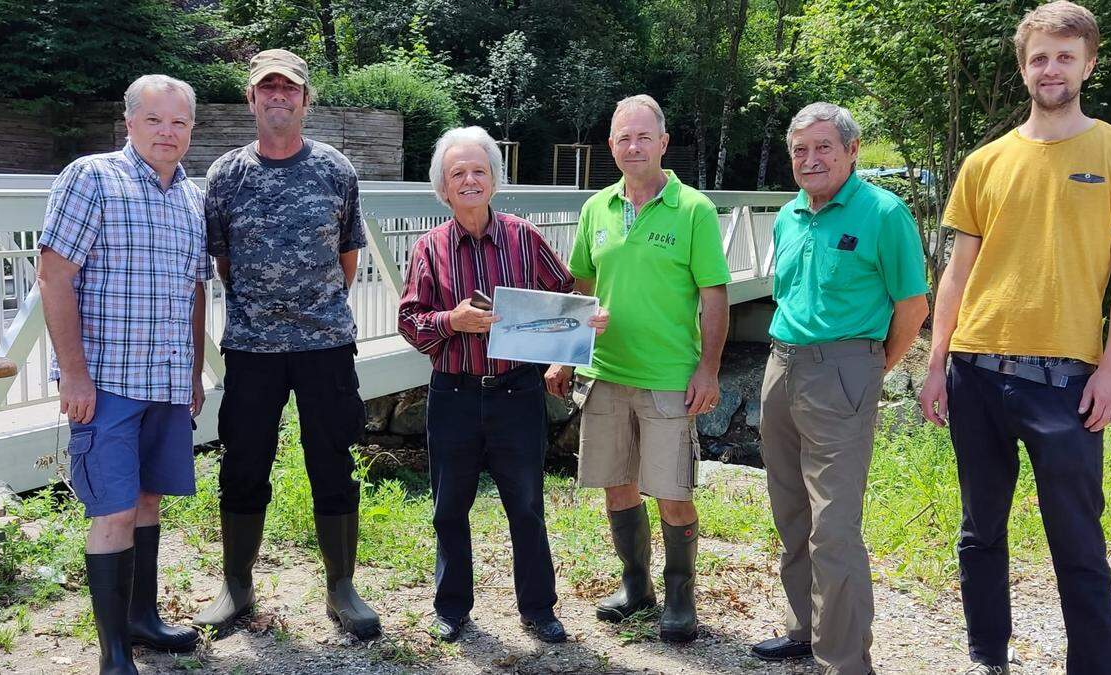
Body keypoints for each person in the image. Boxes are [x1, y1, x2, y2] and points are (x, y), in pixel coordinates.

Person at [918, 3, 1111, 673]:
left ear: (1089, 63)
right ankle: (988, 654)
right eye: (1039, 57)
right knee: (980, 530)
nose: (1051, 68)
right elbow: (958, 272)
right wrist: (936, 364)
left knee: (1078, 540)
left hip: (1068, 381)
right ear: (1024, 68)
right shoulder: (985, 162)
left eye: (1064, 56)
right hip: (976, 372)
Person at [193, 49, 379, 640]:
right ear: (251, 99)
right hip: (251, 347)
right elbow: (221, 262)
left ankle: (340, 587)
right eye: (265, 87)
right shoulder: (225, 174)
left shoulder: (335, 169)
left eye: (288, 88)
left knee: (334, 461)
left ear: (305, 99)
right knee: (243, 462)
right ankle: (237, 586)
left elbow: (347, 257)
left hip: (325, 346)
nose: (278, 96)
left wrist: (311, 310)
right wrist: (267, 309)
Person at [397, 126, 607, 644]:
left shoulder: (522, 235)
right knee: (449, 506)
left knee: (526, 504)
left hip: (517, 392)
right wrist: (452, 321)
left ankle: (538, 608)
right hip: (454, 393)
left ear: (494, 178)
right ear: (443, 189)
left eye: (478, 171)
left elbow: (564, 296)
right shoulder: (430, 247)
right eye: (457, 173)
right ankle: (451, 607)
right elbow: (409, 320)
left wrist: (584, 324)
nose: (469, 181)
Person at [749, 102, 928, 674]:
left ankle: (845, 660)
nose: (811, 159)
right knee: (790, 508)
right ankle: (805, 628)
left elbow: (912, 306)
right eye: (800, 150)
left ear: (852, 151)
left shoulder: (883, 212)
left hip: (845, 369)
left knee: (834, 525)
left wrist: (871, 366)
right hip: (782, 366)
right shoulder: (790, 215)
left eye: (824, 147)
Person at [38, 74, 208, 674]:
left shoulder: (193, 196)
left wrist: (192, 369)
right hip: (106, 381)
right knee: (110, 508)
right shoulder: (93, 178)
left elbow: (195, 290)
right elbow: (54, 275)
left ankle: (142, 621)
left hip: (165, 381)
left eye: (179, 122)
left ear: (192, 129)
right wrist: (75, 377)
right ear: (130, 122)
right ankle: (113, 656)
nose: (168, 132)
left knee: (147, 499)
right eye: (156, 119)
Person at [544, 94, 730, 643]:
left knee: (673, 490)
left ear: (663, 143)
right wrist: (567, 352)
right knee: (617, 484)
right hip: (606, 373)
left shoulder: (694, 209)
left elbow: (714, 295)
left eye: (644, 136)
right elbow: (580, 286)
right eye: (623, 137)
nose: (633, 146)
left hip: (670, 376)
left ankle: (679, 596)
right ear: (611, 145)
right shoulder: (595, 208)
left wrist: (710, 369)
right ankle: (636, 586)